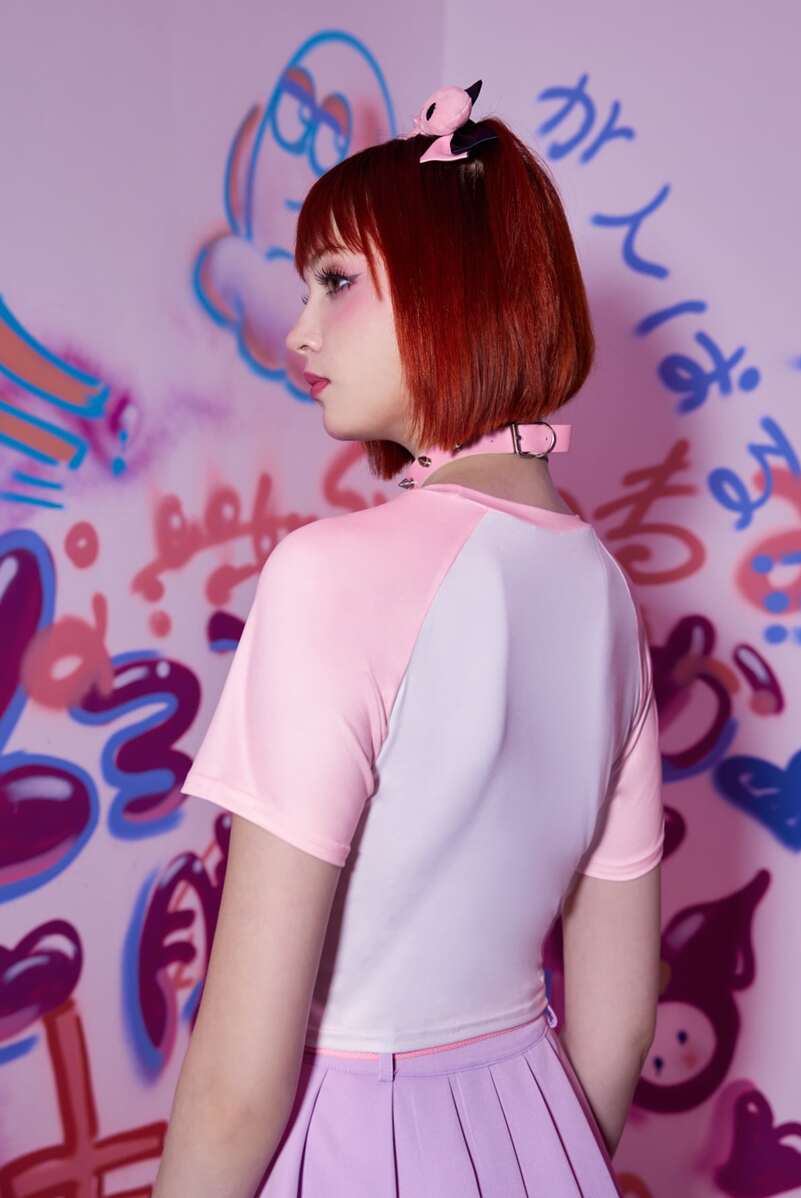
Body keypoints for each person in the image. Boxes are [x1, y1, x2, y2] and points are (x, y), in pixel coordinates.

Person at [154, 79, 665, 1197]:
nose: (299, 330)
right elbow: (622, 1020)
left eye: (336, 281)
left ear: (452, 288)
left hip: (349, 1138)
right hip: (539, 1125)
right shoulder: (607, 593)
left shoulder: (331, 573)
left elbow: (238, 1088)